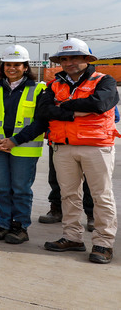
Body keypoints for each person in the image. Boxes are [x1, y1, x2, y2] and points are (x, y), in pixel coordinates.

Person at [37, 38, 119, 264]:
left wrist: (63, 105)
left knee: (101, 196)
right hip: (63, 147)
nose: (69, 62)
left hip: (96, 146)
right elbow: (43, 111)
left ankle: (103, 242)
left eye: (74, 57)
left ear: (86, 59)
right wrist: (76, 111)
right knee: (69, 195)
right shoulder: (54, 84)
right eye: (64, 59)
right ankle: (72, 237)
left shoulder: (104, 81)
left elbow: (99, 104)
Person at [0, 46, 48, 244]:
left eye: (17, 64)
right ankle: (4, 224)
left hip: (24, 148)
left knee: (20, 189)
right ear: (3, 67)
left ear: (25, 67)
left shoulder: (38, 89)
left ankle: (20, 227)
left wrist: (14, 141)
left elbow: (41, 122)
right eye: (8, 64)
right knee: (2, 188)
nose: (12, 68)